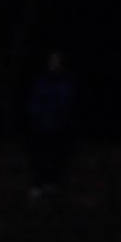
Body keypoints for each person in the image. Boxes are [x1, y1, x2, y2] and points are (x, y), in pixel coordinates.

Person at [26, 49, 79, 199]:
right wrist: (38, 117)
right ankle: (38, 184)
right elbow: (33, 103)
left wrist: (56, 116)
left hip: (59, 126)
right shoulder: (41, 80)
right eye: (52, 60)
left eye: (57, 60)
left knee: (57, 153)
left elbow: (66, 104)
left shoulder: (66, 81)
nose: (54, 63)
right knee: (38, 153)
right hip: (41, 125)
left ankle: (53, 184)